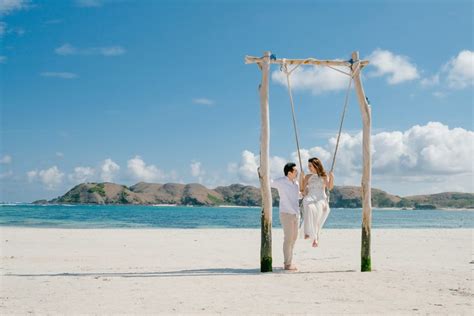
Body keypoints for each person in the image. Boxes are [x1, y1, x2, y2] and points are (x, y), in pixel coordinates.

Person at [271, 162, 300, 271]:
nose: (297, 172)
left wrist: (304, 193)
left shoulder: (296, 183)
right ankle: (287, 264)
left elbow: (298, 196)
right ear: (289, 173)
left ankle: (289, 261)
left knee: (294, 238)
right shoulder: (281, 181)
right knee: (288, 239)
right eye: (295, 171)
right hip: (286, 213)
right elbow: (269, 182)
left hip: (296, 214)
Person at [300, 157, 334, 248]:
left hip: (321, 198)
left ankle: (315, 237)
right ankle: (308, 231)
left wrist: (331, 177)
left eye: (310, 166)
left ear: (316, 165)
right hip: (310, 197)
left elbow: (329, 187)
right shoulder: (307, 176)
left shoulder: (324, 176)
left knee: (318, 211)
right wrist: (301, 177)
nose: (309, 168)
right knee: (309, 206)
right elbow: (302, 189)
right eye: (308, 166)